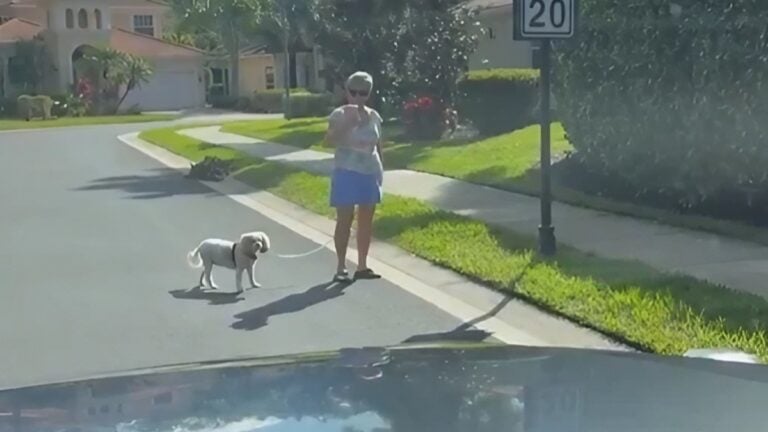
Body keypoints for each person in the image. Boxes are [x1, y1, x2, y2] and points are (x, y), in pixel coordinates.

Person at [324, 71, 384, 282]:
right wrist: (349, 123)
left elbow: (378, 145)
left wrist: (381, 171)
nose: (358, 97)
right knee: (345, 219)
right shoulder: (339, 114)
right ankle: (341, 266)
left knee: (366, 220)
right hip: (346, 172)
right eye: (354, 92)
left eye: (364, 93)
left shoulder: (374, 116)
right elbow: (328, 142)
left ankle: (362, 265)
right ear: (346, 92)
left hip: (369, 173)